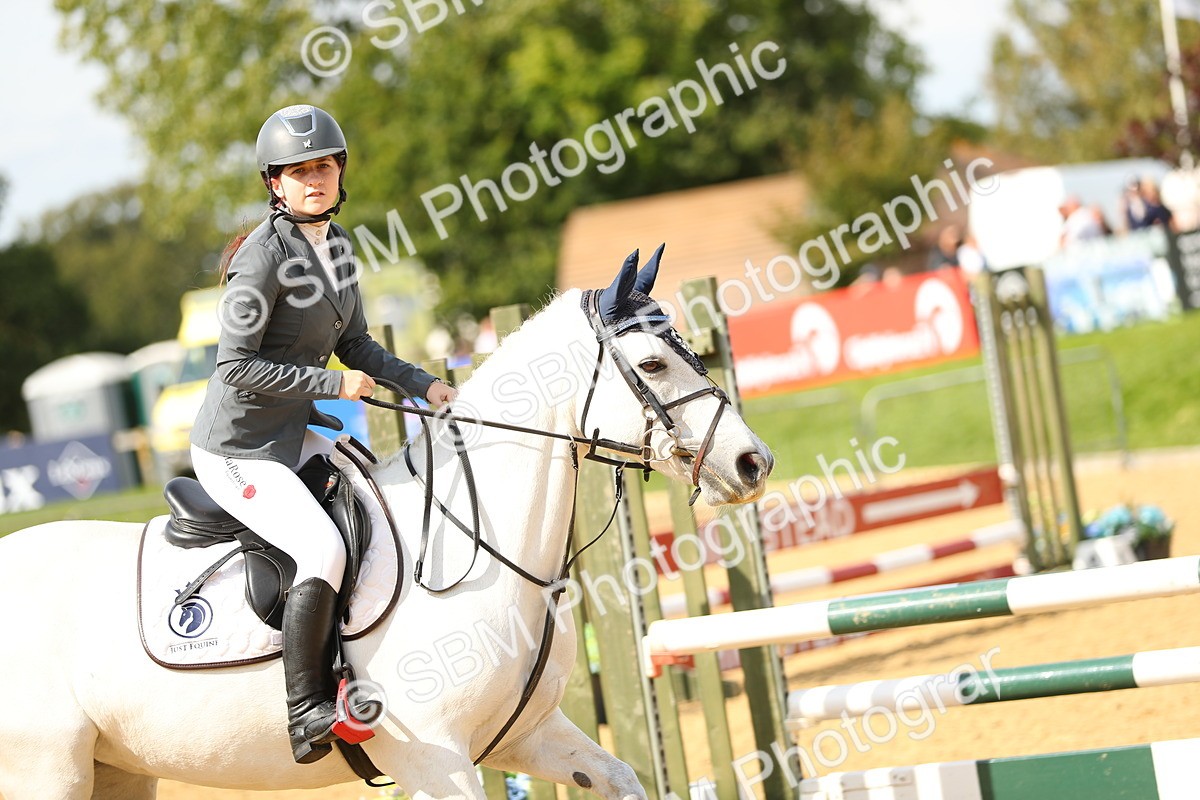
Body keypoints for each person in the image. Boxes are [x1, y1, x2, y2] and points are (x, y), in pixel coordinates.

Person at [189, 104, 457, 764]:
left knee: (378, 499)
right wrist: (333, 386)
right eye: (299, 170)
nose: (315, 178)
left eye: (324, 165)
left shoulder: (336, 249)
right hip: (237, 448)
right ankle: (307, 710)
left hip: (289, 433)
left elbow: (357, 343)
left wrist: (425, 386)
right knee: (321, 547)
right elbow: (238, 367)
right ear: (274, 184)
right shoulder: (261, 260)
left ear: (340, 173)